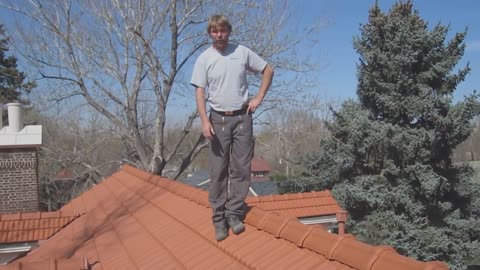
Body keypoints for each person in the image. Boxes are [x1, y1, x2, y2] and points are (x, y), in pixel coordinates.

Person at [191, 14, 274, 241]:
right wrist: (204, 121)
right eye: (215, 31)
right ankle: (218, 218)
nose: (219, 35)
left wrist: (258, 98)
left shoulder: (241, 52)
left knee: (241, 168)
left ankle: (234, 214)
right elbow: (199, 91)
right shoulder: (204, 58)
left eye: (223, 31)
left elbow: (268, 69)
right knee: (218, 171)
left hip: (243, 118)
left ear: (229, 31)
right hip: (218, 120)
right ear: (210, 33)